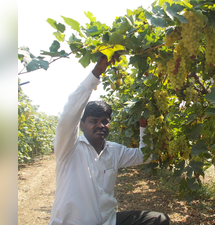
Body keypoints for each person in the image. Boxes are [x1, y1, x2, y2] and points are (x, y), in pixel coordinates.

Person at [49, 53, 171, 225]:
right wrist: (96, 74)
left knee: (158, 219)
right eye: (93, 121)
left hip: (108, 221)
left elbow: (145, 155)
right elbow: (68, 117)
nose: (100, 125)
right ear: (82, 125)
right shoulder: (69, 149)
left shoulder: (114, 150)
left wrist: (143, 127)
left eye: (105, 121)